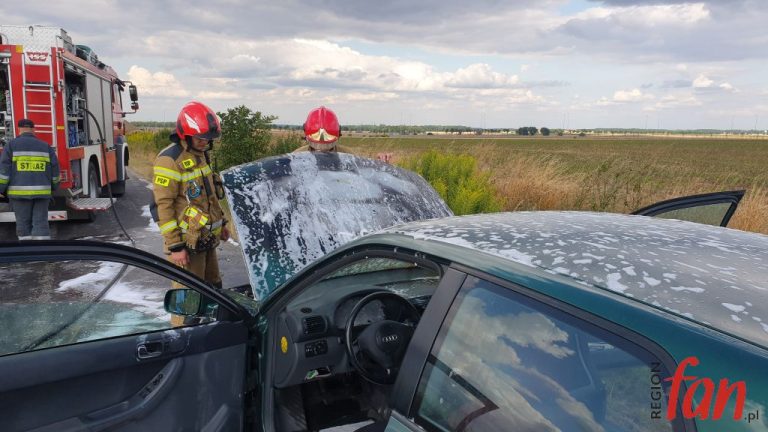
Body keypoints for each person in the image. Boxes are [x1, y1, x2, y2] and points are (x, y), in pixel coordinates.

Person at [150, 101, 230, 300]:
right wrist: (175, 247)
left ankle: (211, 329)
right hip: (186, 243)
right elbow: (163, 206)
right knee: (188, 300)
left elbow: (210, 196)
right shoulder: (169, 160)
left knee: (213, 291)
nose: (205, 142)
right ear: (185, 134)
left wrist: (223, 225)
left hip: (206, 238)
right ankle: (184, 331)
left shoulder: (200, 155)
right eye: (201, 138)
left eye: (209, 138)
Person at [0, 119, 60, 240]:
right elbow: (55, 170)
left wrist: (1, 189)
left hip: (18, 195)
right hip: (42, 194)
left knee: (23, 225)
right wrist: (54, 186)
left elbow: (4, 172)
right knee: (41, 224)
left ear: (19, 129)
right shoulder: (45, 146)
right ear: (34, 129)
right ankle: (42, 253)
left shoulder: (11, 146)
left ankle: (28, 253)